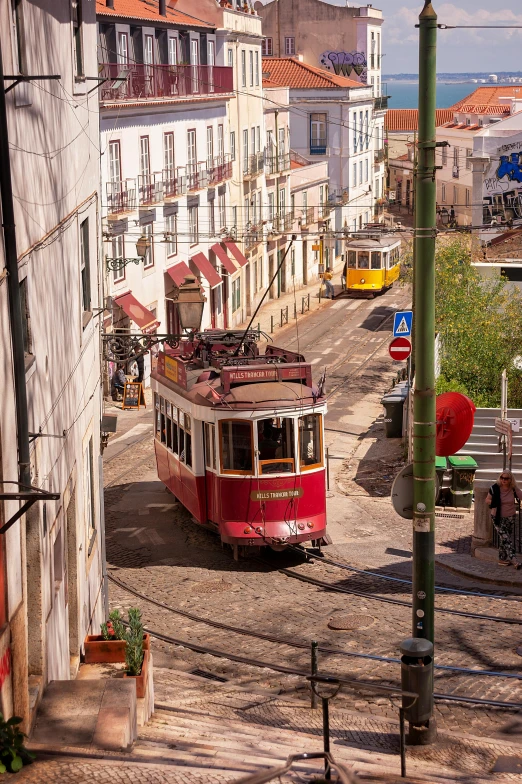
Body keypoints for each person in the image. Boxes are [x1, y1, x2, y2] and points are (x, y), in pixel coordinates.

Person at [486, 470, 522, 568]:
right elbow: (487, 500)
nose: (503, 480)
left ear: (510, 480)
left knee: (504, 539)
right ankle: (514, 560)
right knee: (506, 538)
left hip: (510, 517)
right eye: (502, 478)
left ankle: (502, 559)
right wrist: (494, 501)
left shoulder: (513, 488)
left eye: (506, 478)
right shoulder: (494, 488)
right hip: (497, 517)